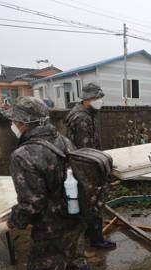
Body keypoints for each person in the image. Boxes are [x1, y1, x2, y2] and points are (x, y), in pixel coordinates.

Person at [0, 96, 104, 270]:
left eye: (14, 120)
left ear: (23, 123)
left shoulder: (23, 155)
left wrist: (9, 225)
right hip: (75, 216)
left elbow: (32, 204)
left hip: (50, 231)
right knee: (76, 259)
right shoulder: (63, 140)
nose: (13, 124)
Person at [64, 83, 116, 249]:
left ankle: (89, 233)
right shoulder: (82, 118)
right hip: (85, 166)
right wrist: (101, 168)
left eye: (100, 97)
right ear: (87, 99)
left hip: (80, 164)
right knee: (94, 202)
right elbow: (86, 151)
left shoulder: (85, 112)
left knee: (86, 203)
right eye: (96, 98)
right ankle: (97, 240)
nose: (99, 101)